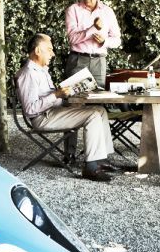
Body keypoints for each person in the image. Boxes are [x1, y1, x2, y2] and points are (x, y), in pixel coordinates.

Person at [15, 33, 116, 182]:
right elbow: (30, 109)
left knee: (100, 111)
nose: (53, 54)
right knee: (93, 115)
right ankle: (90, 167)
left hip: (53, 111)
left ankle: (100, 159)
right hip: (43, 118)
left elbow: (50, 98)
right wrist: (56, 95)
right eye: (49, 50)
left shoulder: (41, 70)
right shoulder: (28, 73)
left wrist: (68, 98)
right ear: (37, 51)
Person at [64, 0, 121, 88]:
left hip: (99, 61)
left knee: (98, 96)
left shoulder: (107, 12)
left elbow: (117, 40)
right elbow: (72, 39)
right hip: (78, 60)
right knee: (74, 97)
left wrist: (104, 41)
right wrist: (93, 28)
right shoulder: (73, 10)